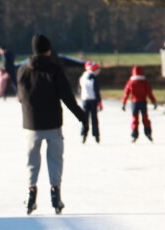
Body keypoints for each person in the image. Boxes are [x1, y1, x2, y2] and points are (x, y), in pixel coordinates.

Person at [17, 34, 87, 214]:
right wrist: (82, 117)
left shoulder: (23, 70)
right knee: (55, 160)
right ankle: (56, 196)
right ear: (48, 50)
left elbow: (20, 97)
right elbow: (67, 98)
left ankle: (31, 196)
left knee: (32, 162)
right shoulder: (55, 70)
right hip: (53, 124)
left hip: (31, 124)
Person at [121, 65, 157, 142]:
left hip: (134, 103)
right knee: (145, 118)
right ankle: (148, 132)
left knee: (135, 119)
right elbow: (149, 93)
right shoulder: (144, 82)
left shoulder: (131, 82)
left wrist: (123, 103)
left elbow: (126, 93)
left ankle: (134, 134)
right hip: (143, 102)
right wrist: (154, 102)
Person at [79, 61, 103, 144]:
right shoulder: (93, 78)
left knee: (85, 118)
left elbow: (80, 89)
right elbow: (96, 91)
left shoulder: (83, 77)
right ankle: (96, 135)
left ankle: (83, 134)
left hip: (85, 100)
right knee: (94, 119)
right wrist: (99, 102)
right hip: (93, 100)